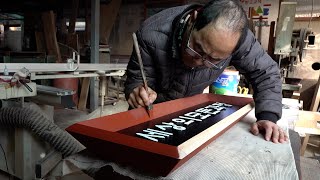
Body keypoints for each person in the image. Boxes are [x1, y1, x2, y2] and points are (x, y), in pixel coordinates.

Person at [125, 0, 286, 144]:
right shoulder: (151, 33)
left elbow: (266, 72)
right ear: (193, 20)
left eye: (213, 59)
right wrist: (138, 90)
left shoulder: (239, 40)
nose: (198, 61)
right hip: (150, 115)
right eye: (197, 48)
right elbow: (137, 78)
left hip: (188, 113)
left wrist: (268, 115)